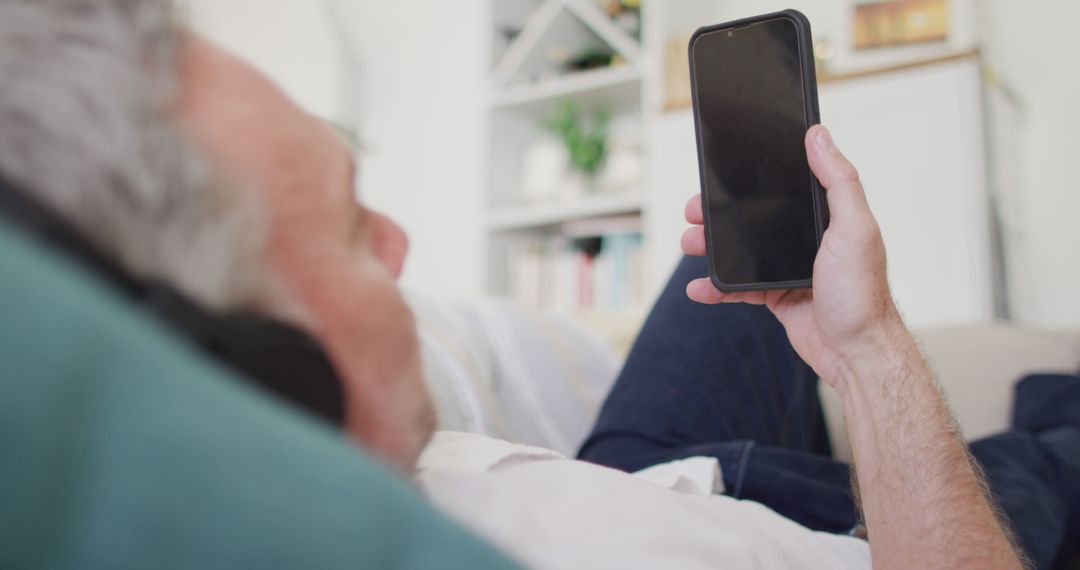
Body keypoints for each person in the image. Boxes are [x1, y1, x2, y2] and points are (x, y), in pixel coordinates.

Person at [1, 0, 1076, 568]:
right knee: (1041, 453)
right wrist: (871, 350)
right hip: (807, 520)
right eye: (349, 223)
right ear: (268, 366)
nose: (401, 247)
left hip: (635, 469)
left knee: (733, 244)